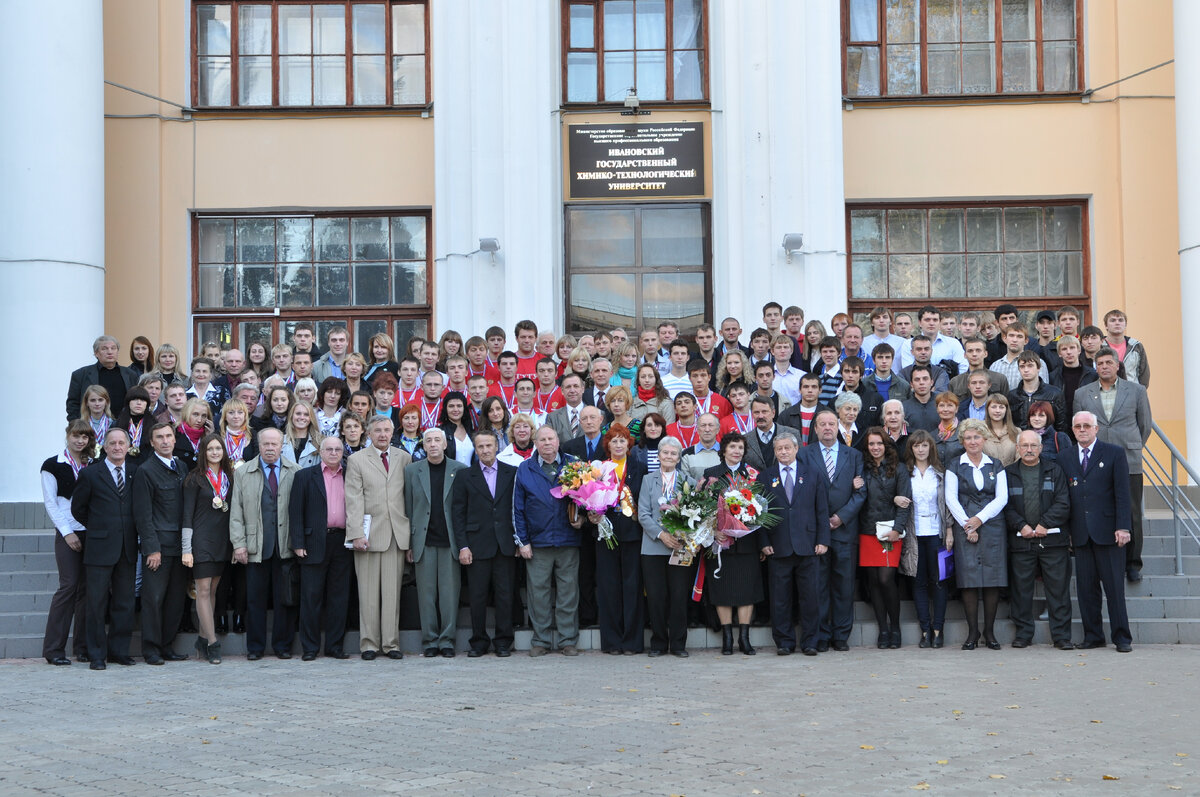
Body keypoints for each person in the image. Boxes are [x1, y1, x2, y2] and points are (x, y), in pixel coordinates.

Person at [1072, 348, 1153, 583]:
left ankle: (1133, 563)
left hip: (1128, 459)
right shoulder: (1082, 394)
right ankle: (1107, 558)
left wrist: (1132, 445)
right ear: (1095, 367)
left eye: (1109, 362)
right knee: (1099, 509)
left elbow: (1144, 425)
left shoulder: (1136, 391)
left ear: (1117, 365)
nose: (1104, 366)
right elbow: (1080, 426)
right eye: (1100, 363)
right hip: (1094, 463)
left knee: (1132, 512)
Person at [1061, 411, 1134, 652]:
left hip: (1109, 532)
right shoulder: (1066, 457)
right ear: (1072, 429)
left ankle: (1122, 637)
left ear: (1096, 429)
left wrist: (1123, 526)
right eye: (1078, 426)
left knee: (1114, 588)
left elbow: (1123, 495)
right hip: (1080, 534)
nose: (1082, 429)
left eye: (1087, 426)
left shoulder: (1114, 453)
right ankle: (1093, 636)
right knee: (1086, 590)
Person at [229, 426, 301, 660]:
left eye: (274, 444)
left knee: (284, 600)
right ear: (258, 446)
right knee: (255, 599)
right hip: (255, 546)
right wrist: (239, 544)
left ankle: (282, 646)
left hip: (285, 544)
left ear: (282, 446)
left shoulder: (295, 471)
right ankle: (255, 648)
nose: (270, 448)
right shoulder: (243, 473)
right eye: (265, 444)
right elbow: (236, 512)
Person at [71, 428, 140, 669]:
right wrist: (99, 528)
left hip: (128, 547)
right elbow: (77, 509)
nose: (118, 447)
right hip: (99, 547)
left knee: (124, 602)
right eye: (113, 443)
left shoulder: (135, 472)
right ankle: (97, 654)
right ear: (105, 446)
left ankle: (119, 652)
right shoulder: (91, 474)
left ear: (128, 446)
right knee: (96, 602)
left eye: (122, 443)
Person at [345, 415, 412, 660]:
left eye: (387, 430)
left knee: (392, 594)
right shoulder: (357, 460)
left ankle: (391, 644)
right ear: (369, 434)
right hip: (368, 536)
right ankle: (369, 644)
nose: (383, 435)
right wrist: (356, 534)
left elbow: (409, 497)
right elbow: (353, 499)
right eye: (378, 431)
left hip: (396, 534)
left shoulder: (404, 458)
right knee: (368, 594)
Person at [758, 430, 829, 656]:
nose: (783, 452)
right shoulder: (765, 477)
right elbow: (759, 514)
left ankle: (810, 641)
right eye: (779, 449)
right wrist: (763, 541)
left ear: (797, 449)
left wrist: (823, 540)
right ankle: (784, 642)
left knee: (810, 597)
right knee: (780, 598)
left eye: (787, 448)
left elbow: (822, 509)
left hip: (808, 544)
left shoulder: (812, 473)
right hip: (777, 546)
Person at [513, 425, 583, 657]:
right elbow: (517, 509)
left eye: (550, 439)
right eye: (542, 440)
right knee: (538, 593)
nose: (547, 443)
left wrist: (581, 519)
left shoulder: (574, 464)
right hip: (538, 542)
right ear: (536, 443)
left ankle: (567, 640)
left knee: (568, 593)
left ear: (558, 440)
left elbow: (588, 498)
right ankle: (540, 640)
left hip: (568, 539)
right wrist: (522, 541)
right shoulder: (525, 468)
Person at [1004, 430, 1074, 650]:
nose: (1029, 450)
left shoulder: (1055, 471)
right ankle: (1024, 634)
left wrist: (1045, 523)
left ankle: (1062, 636)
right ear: (1017, 449)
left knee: (1058, 590)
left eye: (1033, 445)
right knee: (1021, 591)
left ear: (1041, 448)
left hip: (1053, 541)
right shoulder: (1008, 473)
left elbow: (1063, 502)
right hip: (1021, 541)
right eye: (1024, 445)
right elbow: (1004, 506)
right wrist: (1021, 525)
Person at [452, 430, 519, 657]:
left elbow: (517, 509)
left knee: (504, 595)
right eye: (480, 447)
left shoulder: (512, 473)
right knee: (477, 597)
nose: (485, 450)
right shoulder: (464, 476)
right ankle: (478, 642)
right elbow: (458, 514)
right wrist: (463, 546)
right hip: (476, 545)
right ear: (475, 449)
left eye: (489, 445)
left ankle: (503, 642)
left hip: (505, 544)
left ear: (496, 447)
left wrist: (519, 541)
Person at [287, 436, 354, 661]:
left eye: (338, 449)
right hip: (313, 542)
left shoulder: (351, 476)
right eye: (329, 449)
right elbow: (295, 512)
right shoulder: (305, 476)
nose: (334, 453)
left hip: (342, 544)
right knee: (311, 598)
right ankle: (310, 648)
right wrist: (298, 543)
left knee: (339, 598)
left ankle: (335, 646)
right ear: (321, 452)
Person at [946, 419, 1010, 651]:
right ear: (962, 441)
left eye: (976, 437)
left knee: (992, 581)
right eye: (968, 438)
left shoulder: (996, 464)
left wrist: (979, 520)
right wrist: (968, 525)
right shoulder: (955, 464)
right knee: (969, 581)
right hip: (965, 526)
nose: (972, 441)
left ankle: (990, 633)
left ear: (984, 439)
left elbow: (1002, 498)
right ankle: (972, 633)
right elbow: (950, 498)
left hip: (992, 526)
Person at [404, 428, 466, 658]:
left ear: (445, 444)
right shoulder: (412, 471)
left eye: (437, 440)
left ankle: (447, 640)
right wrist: (409, 543)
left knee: (450, 595)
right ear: (424, 445)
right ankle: (430, 640)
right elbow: (408, 508)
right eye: (428, 440)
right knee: (426, 595)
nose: (432, 444)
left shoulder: (459, 470)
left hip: (450, 541)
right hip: (423, 540)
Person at [807, 410, 865, 652]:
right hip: (816, 532)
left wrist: (841, 517)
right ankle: (820, 634)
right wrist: (822, 521)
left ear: (839, 427)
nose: (828, 428)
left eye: (832, 424)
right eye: (823, 424)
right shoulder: (804, 454)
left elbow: (861, 492)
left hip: (845, 529)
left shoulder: (854, 455)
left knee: (843, 585)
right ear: (816, 429)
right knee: (818, 585)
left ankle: (841, 635)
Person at [585, 425, 646, 655]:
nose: (618, 445)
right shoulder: (597, 468)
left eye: (623, 441)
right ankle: (611, 642)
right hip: (604, 531)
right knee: (608, 586)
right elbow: (587, 496)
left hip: (631, 532)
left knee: (632, 586)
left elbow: (642, 498)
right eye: (614, 441)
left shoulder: (639, 467)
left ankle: (632, 642)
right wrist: (590, 513)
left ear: (629, 444)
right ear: (607, 444)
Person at [132, 422, 190, 664]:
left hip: (181, 546)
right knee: (154, 599)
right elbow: (143, 515)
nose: (165, 441)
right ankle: (152, 649)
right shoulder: (146, 470)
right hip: (159, 547)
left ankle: (167, 646)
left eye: (169, 436)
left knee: (176, 599)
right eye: (160, 437)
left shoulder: (182, 466)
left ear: (175, 440)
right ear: (152, 442)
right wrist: (151, 548)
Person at [40, 420, 96, 665]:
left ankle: (82, 648)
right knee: (68, 587)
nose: (80, 441)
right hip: (68, 533)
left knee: (86, 591)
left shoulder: (92, 463)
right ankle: (53, 650)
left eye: (84, 437)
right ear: (68, 435)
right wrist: (66, 532)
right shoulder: (52, 465)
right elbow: (51, 503)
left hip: (91, 532)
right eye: (76, 436)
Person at [703, 432, 763, 655]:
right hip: (721, 544)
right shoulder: (712, 475)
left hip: (747, 542)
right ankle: (727, 638)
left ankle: (744, 638)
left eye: (740, 447)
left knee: (747, 589)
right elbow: (704, 508)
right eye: (732, 447)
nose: (737, 451)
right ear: (724, 450)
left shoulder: (753, 474)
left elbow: (761, 509)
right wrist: (715, 530)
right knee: (722, 590)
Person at [637, 436, 697, 658]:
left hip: (680, 547)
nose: (669, 456)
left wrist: (680, 536)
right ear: (659, 456)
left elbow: (696, 515)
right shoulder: (647, 480)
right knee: (655, 596)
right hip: (653, 547)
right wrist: (661, 535)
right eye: (665, 453)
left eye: (674, 453)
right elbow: (642, 513)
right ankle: (659, 643)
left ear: (679, 458)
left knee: (679, 596)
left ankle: (679, 644)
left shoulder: (688, 481)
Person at [181, 433, 233, 664]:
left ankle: (202, 638)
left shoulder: (230, 476)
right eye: (210, 449)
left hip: (222, 540)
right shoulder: (194, 479)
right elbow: (187, 516)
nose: (214, 453)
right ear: (203, 452)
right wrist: (186, 548)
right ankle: (212, 642)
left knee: (212, 591)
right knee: (202, 591)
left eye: (218, 449)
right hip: (200, 541)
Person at [858, 428, 911, 649]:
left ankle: (896, 628)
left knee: (886, 579)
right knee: (873, 583)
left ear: (886, 445)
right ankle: (883, 630)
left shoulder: (899, 469)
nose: (875, 447)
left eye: (879, 443)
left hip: (890, 531)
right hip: (868, 531)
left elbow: (905, 502)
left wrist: (898, 529)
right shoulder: (862, 469)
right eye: (871, 444)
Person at [900, 430, 952, 649]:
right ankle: (925, 630)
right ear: (910, 449)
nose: (920, 450)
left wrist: (949, 530)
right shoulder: (905, 473)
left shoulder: (941, 473)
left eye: (924, 446)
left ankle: (938, 630)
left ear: (931, 448)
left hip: (937, 533)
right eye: (916, 446)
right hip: (914, 535)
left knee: (939, 582)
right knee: (919, 582)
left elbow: (948, 503)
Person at [66, 335, 139, 421]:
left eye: (113, 348)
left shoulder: (131, 374)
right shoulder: (80, 374)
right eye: (104, 349)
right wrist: (76, 426)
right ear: (96, 353)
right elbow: (73, 404)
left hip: (123, 426)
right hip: (91, 426)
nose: (110, 352)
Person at [1008, 351, 1067, 431]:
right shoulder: (1012, 396)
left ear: (1038, 368)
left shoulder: (1054, 394)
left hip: (1047, 440)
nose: (1026, 370)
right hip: (1021, 440)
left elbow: (1061, 425)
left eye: (1030, 366)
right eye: (1022, 366)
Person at [1103, 308, 1150, 387]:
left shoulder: (1136, 346)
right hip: (1106, 392)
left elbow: (1144, 374)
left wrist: (1139, 393)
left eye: (1120, 320)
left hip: (1131, 393)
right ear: (1106, 326)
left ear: (1125, 325)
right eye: (1113, 320)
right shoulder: (1100, 346)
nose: (1117, 323)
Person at [114, 385, 154, 464]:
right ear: (128, 402)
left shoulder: (154, 424)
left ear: (147, 404)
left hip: (146, 465)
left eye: (142, 400)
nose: (139, 403)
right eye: (135, 399)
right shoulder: (117, 424)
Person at [679, 413, 722, 482]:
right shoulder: (686, 455)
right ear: (698, 430)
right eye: (703, 425)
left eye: (711, 425)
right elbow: (686, 485)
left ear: (718, 429)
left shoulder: (727, 453)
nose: (707, 429)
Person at [545, 373, 588, 442]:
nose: (572, 390)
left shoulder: (597, 414)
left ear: (583, 389)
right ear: (562, 391)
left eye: (576, 386)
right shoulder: (552, 417)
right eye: (568, 387)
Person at [173, 398, 214, 471]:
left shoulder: (210, 435)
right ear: (186, 414)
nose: (199, 420)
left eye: (204, 416)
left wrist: (210, 438)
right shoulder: (173, 434)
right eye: (195, 414)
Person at [437, 391, 476, 465]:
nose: (455, 409)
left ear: (464, 408)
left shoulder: (471, 431)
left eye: (459, 406)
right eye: (451, 406)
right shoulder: (440, 432)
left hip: (471, 475)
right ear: (445, 409)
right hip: (450, 475)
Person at [282, 400, 322, 469]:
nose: (302, 417)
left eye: (306, 414)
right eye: (298, 413)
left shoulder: (320, 442)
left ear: (311, 418)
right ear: (291, 416)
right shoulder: (280, 441)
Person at [983, 393, 1019, 466]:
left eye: (1001, 407)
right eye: (994, 407)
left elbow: (1019, 458)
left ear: (1006, 410)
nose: (997, 411)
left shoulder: (1016, 432)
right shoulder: (980, 431)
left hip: (1011, 475)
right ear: (987, 409)